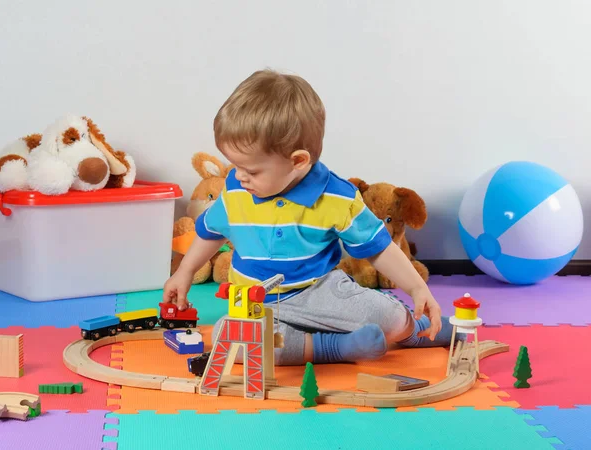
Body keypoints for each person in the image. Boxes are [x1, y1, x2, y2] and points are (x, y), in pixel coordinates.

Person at [163, 69, 464, 365]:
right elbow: (211, 232)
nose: (238, 176)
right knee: (224, 338)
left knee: (390, 317)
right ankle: (336, 347)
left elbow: (378, 248)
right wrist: (185, 272)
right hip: (254, 304)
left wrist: (417, 289)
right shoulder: (235, 190)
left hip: (319, 293)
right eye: (235, 165)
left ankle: (416, 331)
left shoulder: (336, 197)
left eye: (251, 170)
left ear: (297, 161)